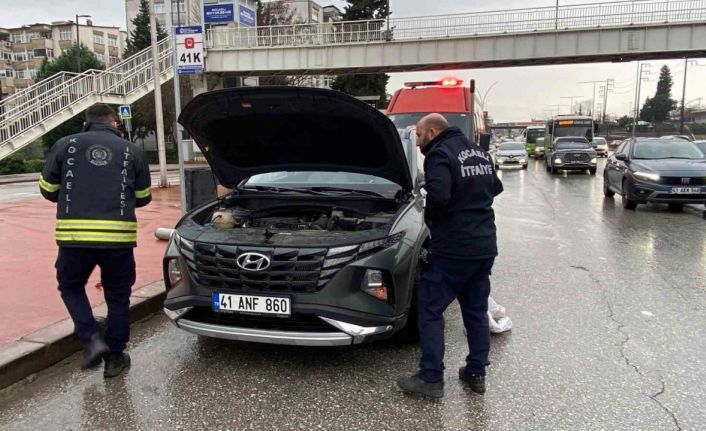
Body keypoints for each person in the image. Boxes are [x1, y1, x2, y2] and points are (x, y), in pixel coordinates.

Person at [39, 104, 152, 378]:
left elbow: (47, 189)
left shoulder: (65, 145)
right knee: (117, 296)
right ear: (114, 122)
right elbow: (145, 195)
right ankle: (114, 358)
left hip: (74, 237)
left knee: (71, 286)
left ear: (86, 123)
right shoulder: (132, 150)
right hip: (118, 239)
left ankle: (91, 339)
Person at [397, 113, 503, 398]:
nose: (418, 143)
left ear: (431, 132)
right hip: (484, 246)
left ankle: (431, 378)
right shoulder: (479, 153)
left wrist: (432, 219)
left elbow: (439, 196)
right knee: (475, 309)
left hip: (454, 248)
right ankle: (476, 373)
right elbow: (496, 187)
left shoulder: (439, 154)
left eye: (419, 136)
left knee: (430, 308)